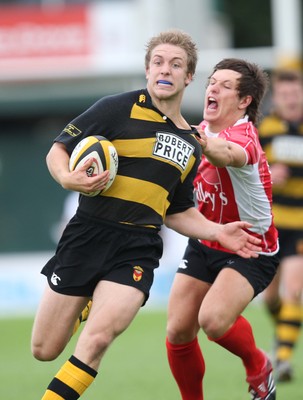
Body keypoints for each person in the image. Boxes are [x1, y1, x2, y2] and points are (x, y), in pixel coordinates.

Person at [30, 31, 262, 400]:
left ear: (188, 77)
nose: (164, 70)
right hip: (87, 234)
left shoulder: (191, 142)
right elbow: (58, 150)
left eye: (175, 64)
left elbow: (179, 211)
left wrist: (217, 231)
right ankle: (87, 301)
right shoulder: (116, 108)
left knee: (98, 340)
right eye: (157, 62)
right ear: (147, 70)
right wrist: (66, 177)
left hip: (137, 247)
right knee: (44, 349)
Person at [165, 58, 280, 400]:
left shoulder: (244, 139)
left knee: (213, 321)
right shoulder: (201, 130)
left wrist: (190, 137)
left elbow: (223, 153)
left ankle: (259, 365)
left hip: (250, 247)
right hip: (207, 240)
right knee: (178, 330)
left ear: (244, 101)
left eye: (225, 85)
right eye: (212, 82)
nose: (213, 88)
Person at [258, 69, 303, 382]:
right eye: (285, 94)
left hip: (300, 223)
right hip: (271, 224)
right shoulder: (267, 127)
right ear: (277, 97)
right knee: (270, 299)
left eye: (295, 94)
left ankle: (283, 359)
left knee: (295, 290)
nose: (290, 99)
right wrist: (271, 174)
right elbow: (253, 170)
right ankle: (285, 332)